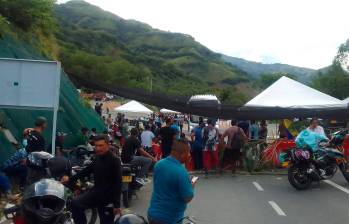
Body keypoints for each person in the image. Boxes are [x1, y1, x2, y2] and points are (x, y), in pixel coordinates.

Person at [67, 134, 122, 224]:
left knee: (106, 221)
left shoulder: (114, 160)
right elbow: (87, 170)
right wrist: (70, 179)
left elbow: (118, 183)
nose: (97, 148)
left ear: (108, 145)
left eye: (100, 145)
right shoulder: (98, 157)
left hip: (108, 198)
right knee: (75, 203)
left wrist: (117, 205)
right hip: (97, 192)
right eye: (96, 146)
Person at [148, 140, 195, 224]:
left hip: (153, 214)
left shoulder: (159, 164)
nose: (189, 155)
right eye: (188, 152)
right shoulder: (181, 172)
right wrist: (191, 186)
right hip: (170, 219)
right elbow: (187, 197)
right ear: (183, 154)